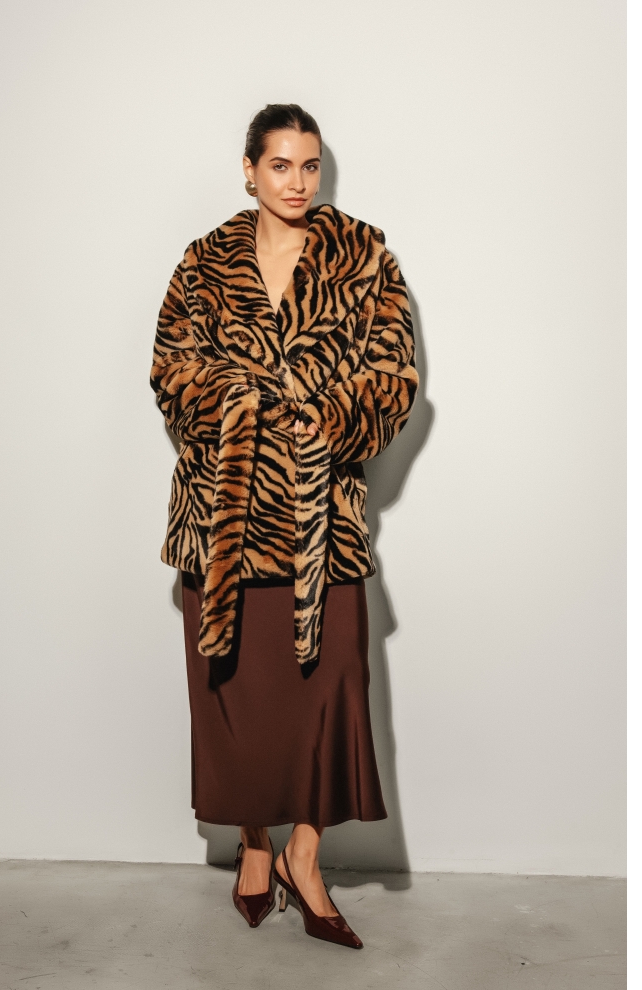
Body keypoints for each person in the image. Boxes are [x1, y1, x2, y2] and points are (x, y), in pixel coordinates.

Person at [150, 104, 418, 948]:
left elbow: (396, 375)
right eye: (280, 165)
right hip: (224, 521)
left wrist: (329, 416)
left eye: (309, 165)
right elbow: (170, 370)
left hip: (318, 522)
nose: (298, 182)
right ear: (248, 169)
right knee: (235, 693)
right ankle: (256, 846)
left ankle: (305, 855)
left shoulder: (363, 257)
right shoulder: (203, 263)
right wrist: (241, 405)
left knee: (331, 688)